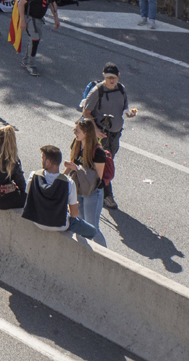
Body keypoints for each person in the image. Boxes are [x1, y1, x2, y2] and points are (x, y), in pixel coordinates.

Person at [81, 62, 137, 210]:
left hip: (115, 134)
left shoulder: (121, 89)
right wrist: (95, 130)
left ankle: (89, 185)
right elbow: (86, 112)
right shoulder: (97, 91)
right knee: (105, 163)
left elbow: (124, 107)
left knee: (103, 163)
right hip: (102, 134)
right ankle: (107, 196)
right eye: (108, 77)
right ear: (103, 76)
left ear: (119, 76)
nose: (111, 80)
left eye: (114, 77)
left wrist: (129, 113)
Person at [22, 145, 102, 243]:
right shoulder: (69, 183)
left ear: (48, 162)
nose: (42, 160)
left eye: (43, 158)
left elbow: (28, 196)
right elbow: (74, 214)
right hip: (59, 225)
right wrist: (74, 206)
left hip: (37, 220)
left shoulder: (33, 175)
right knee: (92, 231)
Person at [65, 118, 109, 246]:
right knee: (80, 224)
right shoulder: (76, 144)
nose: (74, 132)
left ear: (86, 133)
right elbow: (72, 163)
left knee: (92, 227)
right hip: (78, 189)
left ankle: (104, 253)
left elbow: (97, 178)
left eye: (77, 130)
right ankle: (82, 250)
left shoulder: (98, 152)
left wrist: (77, 169)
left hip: (92, 192)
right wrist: (60, 178)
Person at [15, 0, 60, 75]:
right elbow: (21, 4)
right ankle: (31, 65)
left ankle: (25, 61)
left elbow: (52, 4)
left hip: (39, 19)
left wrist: (56, 18)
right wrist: (22, 20)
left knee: (34, 40)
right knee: (34, 40)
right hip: (29, 17)